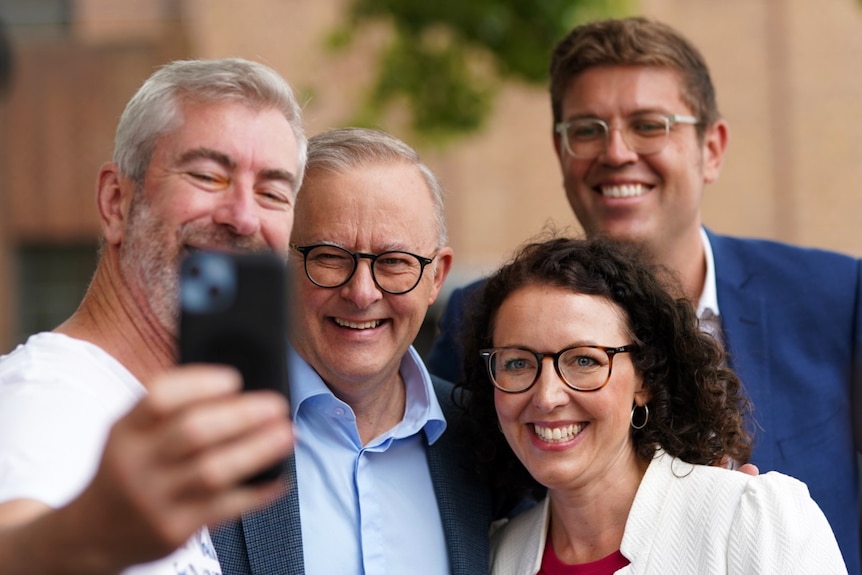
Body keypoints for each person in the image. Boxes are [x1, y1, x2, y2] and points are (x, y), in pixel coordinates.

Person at [427, 16, 861, 572]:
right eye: (586, 129)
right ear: (561, 152)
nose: (616, 152)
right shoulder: (483, 317)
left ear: (712, 147)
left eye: (649, 125)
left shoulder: (836, 297)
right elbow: (459, 496)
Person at [0, 57, 307, 574]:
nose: (243, 215)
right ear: (117, 201)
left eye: (272, 192)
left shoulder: (161, 415)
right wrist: (84, 532)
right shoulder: (41, 398)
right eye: (208, 175)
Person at [456, 235, 847, 574]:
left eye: (585, 360)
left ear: (644, 377)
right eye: (518, 363)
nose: (547, 396)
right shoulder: (494, 557)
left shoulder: (749, 520)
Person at [211, 127, 494, 575]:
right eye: (330, 257)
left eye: (395, 262)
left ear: (436, 277)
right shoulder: (206, 434)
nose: (362, 293)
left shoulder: (486, 440)